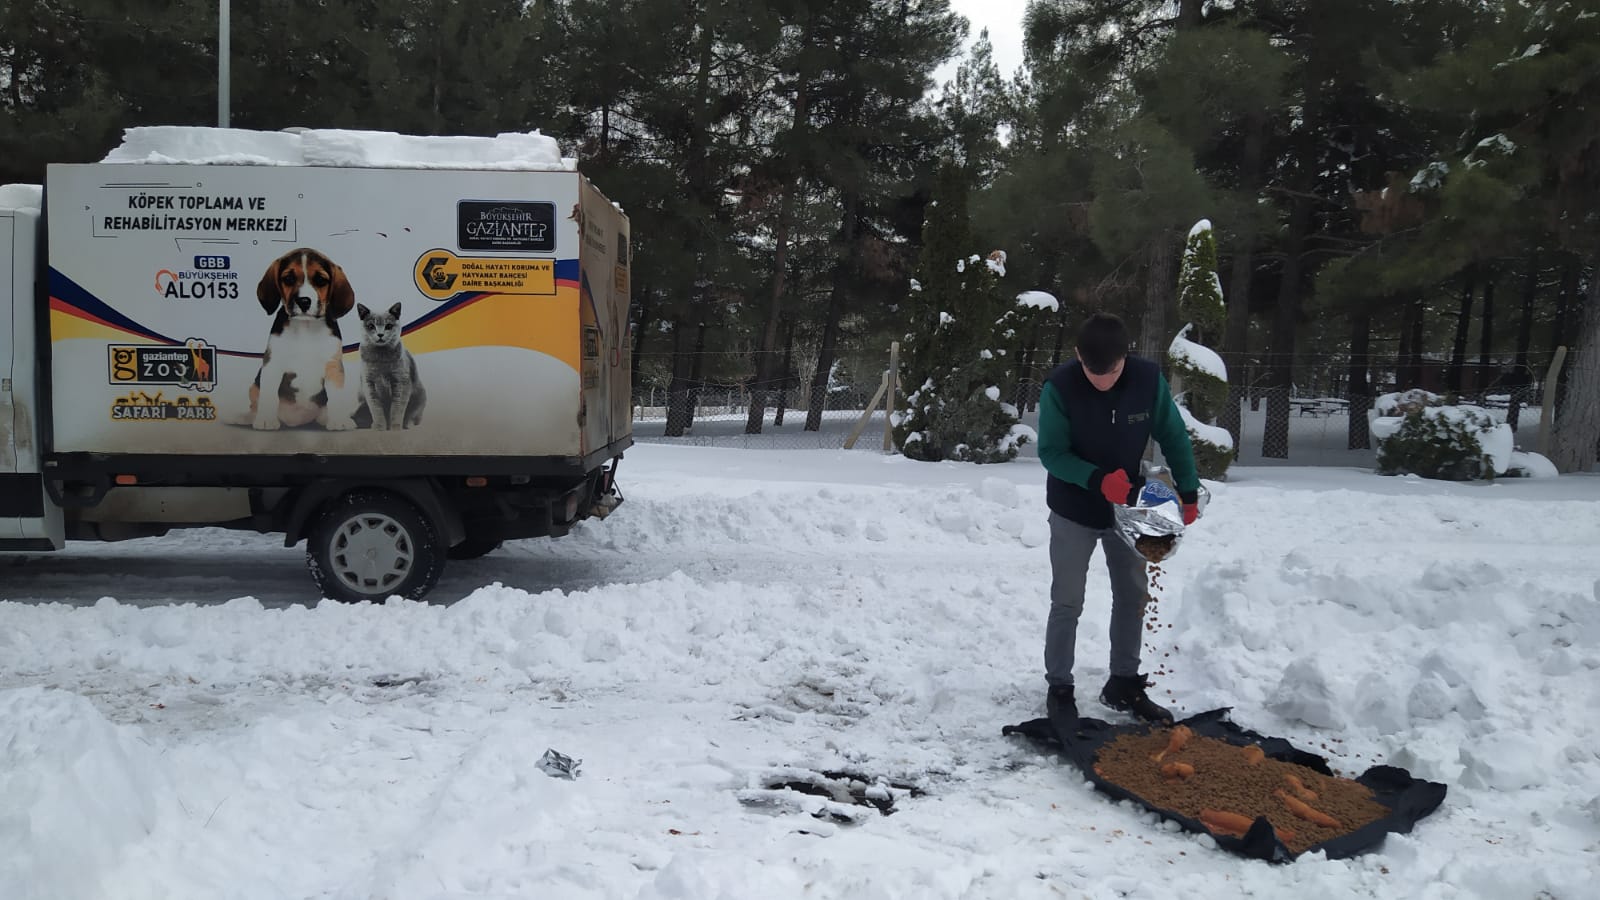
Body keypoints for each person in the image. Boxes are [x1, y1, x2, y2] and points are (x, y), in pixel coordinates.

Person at [1036, 312, 1201, 735]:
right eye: (1092, 371)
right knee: (1068, 600)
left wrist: (1188, 491)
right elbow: (1051, 452)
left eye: (1109, 371)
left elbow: (1173, 434)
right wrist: (1095, 479)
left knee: (1132, 594)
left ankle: (1124, 682)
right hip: (1073, 507)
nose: (1101, 380)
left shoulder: (1147, 381)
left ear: (1124, 358)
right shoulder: (1060, 387)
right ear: (1077, 357)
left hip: (1129, 510)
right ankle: (1059, 687)